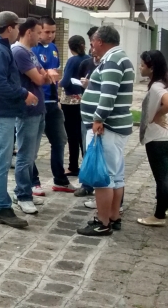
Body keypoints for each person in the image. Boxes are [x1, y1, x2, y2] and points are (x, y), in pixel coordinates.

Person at [0, 11, 37, 228]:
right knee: (0, 162)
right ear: (9, 28)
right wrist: (23, 94)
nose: (19, 31)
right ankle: (2, 207)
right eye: (17, 27)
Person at [77, 26, 134, 236]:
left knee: (104, 176)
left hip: (107, 127)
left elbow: (108, 95)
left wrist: (98, 118)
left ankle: (102, 222)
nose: (91, 46)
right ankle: (113, 216)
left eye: (92, 41)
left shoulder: (112, 61)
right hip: (115, 126)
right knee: (116, 175)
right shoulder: (118, 58)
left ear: (99, 40)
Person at [11, 18, 50, 214]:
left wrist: (46, 75)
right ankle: (22, 195)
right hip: (27, 111)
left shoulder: (31, 52)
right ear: (28, 33)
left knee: (32, 155)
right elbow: (40, 78)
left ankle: (25, 190)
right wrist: (46, 76)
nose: (41, 36)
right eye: (38, 32)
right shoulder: (18, 52)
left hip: (38, 109)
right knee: (25, 155)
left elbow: (46, 75)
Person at [33, 17, 75, 193]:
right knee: (31, 145)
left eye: (53, 32)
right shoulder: (31, 49)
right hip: (36, 103)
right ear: (38, 31)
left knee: (60, 140)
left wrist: (57, 98)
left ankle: (60, 179)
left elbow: (55, 75)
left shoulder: (54, 49)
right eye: (47, 32)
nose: (50, 35)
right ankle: (32, 181)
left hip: (52, 103)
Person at [136, 50, 168, 227]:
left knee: (161, 179)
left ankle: (159, 216)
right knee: (164, 178)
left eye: (142, 64)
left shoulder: (156, 87)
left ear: (151, 67)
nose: (140, 67)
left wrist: (156, 115)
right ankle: (163, 209)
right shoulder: (163, 84)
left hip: (159, 140)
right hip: (167, 138)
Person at [75, 26, 100, 199]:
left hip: (101, 115)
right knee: (87, 148)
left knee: (101, 152)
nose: (92, 48)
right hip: (87, 112)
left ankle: (100, 187)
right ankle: (87, 184)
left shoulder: (110, 64)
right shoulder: (86, 63)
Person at [60, 35, 88, 177]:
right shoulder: (88, 59)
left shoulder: (72, 60)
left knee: (72, 135)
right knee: (83, 134)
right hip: (84, 100)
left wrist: (57, 82)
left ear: (70, 48)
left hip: (70, 101)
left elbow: (65, 82)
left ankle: (72, 166)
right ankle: (87, 164)